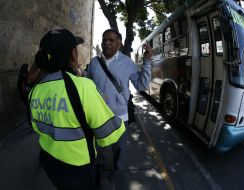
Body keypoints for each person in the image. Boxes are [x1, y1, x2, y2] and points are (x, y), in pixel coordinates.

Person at [28, 28, 126, 190]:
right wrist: (102, 105)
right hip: (79, 170)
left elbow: (36, 127)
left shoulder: (35, 90)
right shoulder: (83, 87)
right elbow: (108, 135)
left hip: (50, 164)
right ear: (73, 54)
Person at [86, 29, 152, 175]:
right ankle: (101, 167)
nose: (107, 43)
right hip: (98, 116)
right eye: (104, 40)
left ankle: (118, 169)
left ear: (119, 43)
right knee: (100, 147)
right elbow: (87, 86)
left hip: (120, 117)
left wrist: (147, 62)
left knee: (119, 148)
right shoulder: (94, 63)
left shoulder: (127, 63)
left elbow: (141, 85)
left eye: (111, 40)